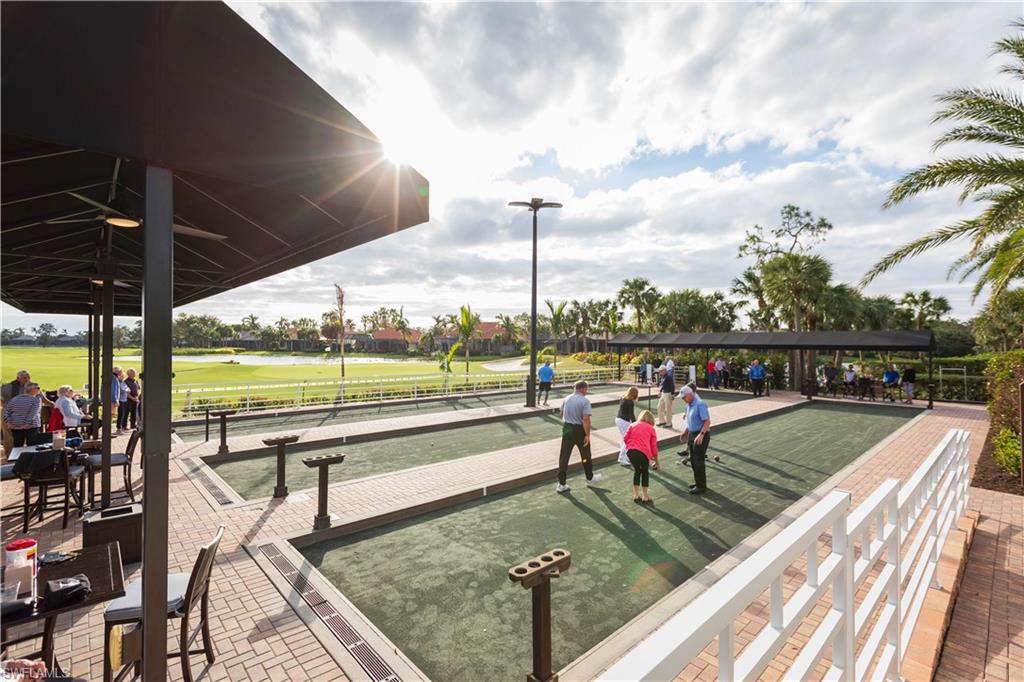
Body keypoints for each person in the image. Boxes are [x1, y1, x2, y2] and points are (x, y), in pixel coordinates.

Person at [556, 380, 602, 493]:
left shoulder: (566, 398)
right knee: (585, 455)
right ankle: (589, 478)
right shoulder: (585, 401)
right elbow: (586, 418)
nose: (586, 392)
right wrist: (587, 435)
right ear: (583, 389)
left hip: (567, 428)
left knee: (564, 457)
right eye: (586, 389)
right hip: (579, 430)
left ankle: (561, 483)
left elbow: (561, 413)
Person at [677, 385, 711, 494]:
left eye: (684, 397)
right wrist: (686, 432)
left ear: (690, 394)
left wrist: (701, 434)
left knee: (698, 461)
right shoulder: (688, 405)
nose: (683, 399)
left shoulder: (700, 404)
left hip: (701, 435)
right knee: (693, 460)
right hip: (692, 434)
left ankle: (701, 486)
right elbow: (689, 421)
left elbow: (707, 422)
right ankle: (698, 482)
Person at [624, 409, 659, 504]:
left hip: (631, 452)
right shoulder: (651, 429)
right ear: (651, 420)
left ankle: (636, 495)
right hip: (643, 452)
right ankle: (645, 496)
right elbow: (654, 447)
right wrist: (657, 462)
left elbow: (625, 438)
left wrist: (630, 446)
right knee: (644, 472)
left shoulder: (632, 425)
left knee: (637, 471)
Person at [3, 382, 43, 447]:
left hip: (15, 426)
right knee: (32, 446)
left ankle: (17, 457)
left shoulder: (14, 399)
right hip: (31, 426)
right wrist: (25, 425)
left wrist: (9, 423)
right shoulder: (36, 400)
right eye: (38, 388)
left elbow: (7, 412)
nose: (39, 389)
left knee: (17, 446)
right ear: (32, 390)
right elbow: (33, 414)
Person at [616, 386, 638, 466]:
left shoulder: (622, 398)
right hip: (624, 421)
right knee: (628, 440)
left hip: (618, 419)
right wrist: (636, 424)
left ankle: (625, 456)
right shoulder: (630, 402)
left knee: (623, 438)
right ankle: (621, 458)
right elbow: (631, 415)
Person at [656, 357, 676, 427]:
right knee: (659, 407)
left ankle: (669, 423)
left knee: (668, 409)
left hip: (668, 394)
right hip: (663, 393)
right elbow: (662, 385)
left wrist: (673, 394)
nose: (660, 372)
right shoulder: (663, 377)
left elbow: (672, 386)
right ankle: (662, 421)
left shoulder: (669, 377)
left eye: (661, 371)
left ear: (665, 370)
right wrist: (660, 392)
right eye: (660, 371)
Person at [110, 366, 125, 435]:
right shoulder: (114, 378)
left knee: (110, 415)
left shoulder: (113, 377)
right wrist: (116, 400)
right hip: (112, 400)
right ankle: (108, 431)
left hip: (111, 399)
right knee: (110, 415)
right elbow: (114, 390)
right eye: (120, 371)